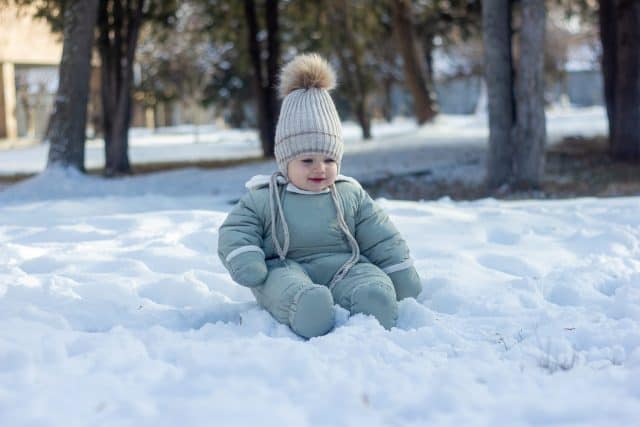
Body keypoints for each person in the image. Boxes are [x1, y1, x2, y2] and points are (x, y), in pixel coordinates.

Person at [217, 53, 422, 338]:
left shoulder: (349, 194)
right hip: (286, 267)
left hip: (344, 265)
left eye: (328, 159)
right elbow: (236, 229)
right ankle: (306, 308)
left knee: (373, 287)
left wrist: (399, 271)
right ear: (285, 160)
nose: (320, 168)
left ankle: (373, 301)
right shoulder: (265, 197)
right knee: (282, 286)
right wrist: (247, 258)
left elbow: (381, 235)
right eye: (307, 160)